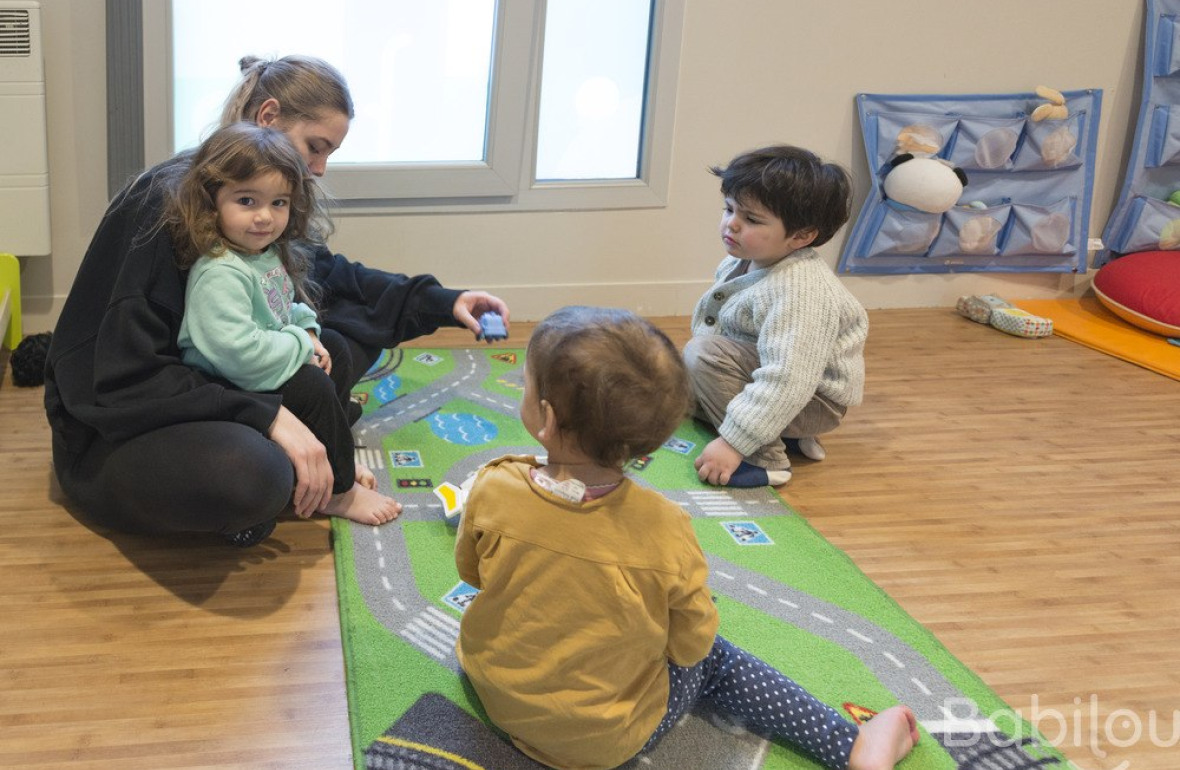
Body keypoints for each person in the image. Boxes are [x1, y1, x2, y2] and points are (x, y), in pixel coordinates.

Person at [45, 55, 509, 546]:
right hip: (120, 423)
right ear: (268, 118)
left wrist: (443, 301)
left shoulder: (259, 205)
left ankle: (305, 455)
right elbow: (128, 378)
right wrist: (266, 414)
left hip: (220, 375)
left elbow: (330, 276)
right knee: (253, 474)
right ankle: (292, 470)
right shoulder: (165, 205)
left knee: (342, 338)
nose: (321, 168)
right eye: (316, 147)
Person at [454, 305, 918, 770]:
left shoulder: (495, 485)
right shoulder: (663, 526)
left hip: (493, 689)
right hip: (605, 742)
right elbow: (690, 645)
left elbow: (471, 573)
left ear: (546, 419)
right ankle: (850, 747)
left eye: (526, 385)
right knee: (716, 658)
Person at [167, 121, 400, 527]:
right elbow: (238, 352)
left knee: (337, 348)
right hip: (231, 382)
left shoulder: (262, 254)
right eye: (246, 201)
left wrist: (308, 333)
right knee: (312, 385)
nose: (265, 217)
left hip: (263, 359)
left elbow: (284, 305)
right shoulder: (220, 272)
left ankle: (330, 449)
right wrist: (299, 347)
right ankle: (339, 492)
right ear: (213, 202)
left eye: (278, 203)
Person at [685, 145, 868, 488]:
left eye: (751, 219)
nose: (732, 224)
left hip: (811, 398)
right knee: (679, 375)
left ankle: (766, 457)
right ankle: (784, 431)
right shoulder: (743, 261)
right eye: (729, 209)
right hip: (781, 382)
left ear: (801, 236)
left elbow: (790, 377)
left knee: (702, 356)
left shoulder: (801, 290)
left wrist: (733, 443)